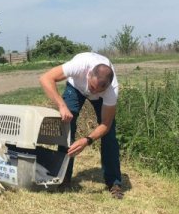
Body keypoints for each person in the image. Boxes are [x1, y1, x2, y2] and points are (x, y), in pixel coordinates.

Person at [39, 52, 123, 199]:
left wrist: (87, 140)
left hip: (99, 98)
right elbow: (45, 78)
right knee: (67, 124)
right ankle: (64, 177)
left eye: (99, 90)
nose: (93, 92)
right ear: (89, 74)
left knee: (109, 135)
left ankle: (114, 183)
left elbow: (106, 124)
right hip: (75, 87)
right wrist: (61, 105)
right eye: (92, 86)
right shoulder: (79, 65)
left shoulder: (111, 90)